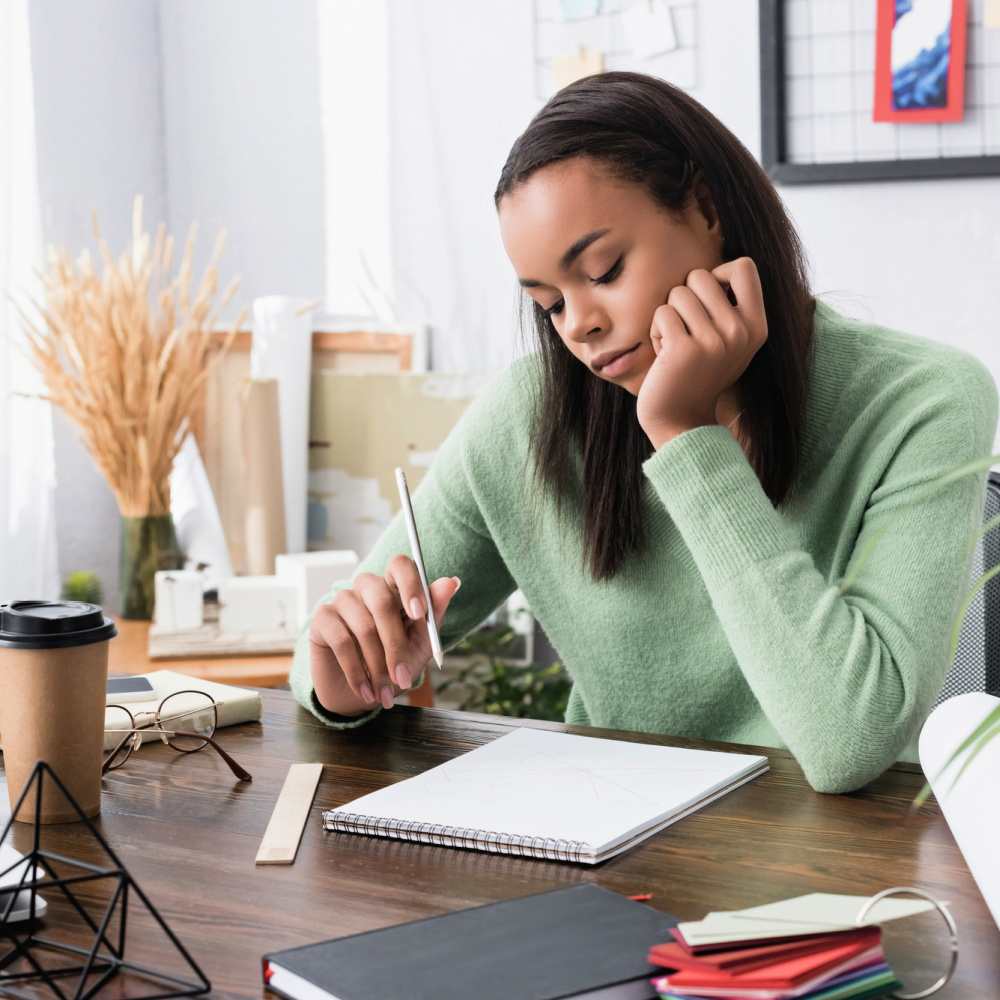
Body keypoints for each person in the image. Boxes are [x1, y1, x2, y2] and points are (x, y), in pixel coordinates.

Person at [291, 72, 997, 794]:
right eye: (548, 304)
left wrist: (683, 435)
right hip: (608, 851)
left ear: (706, 206)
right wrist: (347, 670)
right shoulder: (529, 417)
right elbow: (319, 658)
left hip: (838, 881)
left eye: (604, 270)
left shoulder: (925, 400)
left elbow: (850, 743)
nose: (579, 326)